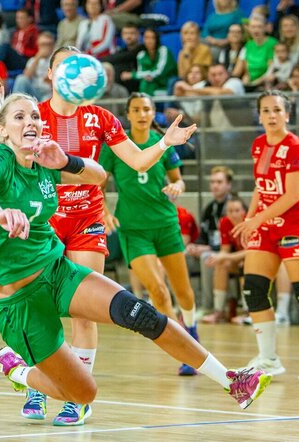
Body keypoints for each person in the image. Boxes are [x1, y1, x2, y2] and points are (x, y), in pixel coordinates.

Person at [0, 80, 271, 425]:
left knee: (141, 314)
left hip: (56, 272)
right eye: (19, 117)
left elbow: (97, 176)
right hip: (18, 302)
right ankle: (18, 371)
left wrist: (67, 159)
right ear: (4, 130)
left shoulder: (46, 160)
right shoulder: (1, 159)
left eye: (35, 115)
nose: (30, 122)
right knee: (83, 393)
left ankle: (231, 380)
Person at [22, 45, 197, 425]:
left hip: (85, 218)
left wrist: (164, 143)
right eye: (64, 67)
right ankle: (42, 382)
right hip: (44, 221)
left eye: (79, 68)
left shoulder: (100, 117)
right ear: (50, 75)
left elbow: (135, 159)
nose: (73, 74)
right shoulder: (33, 115)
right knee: (40, 307)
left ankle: (78, 397)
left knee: (84, 311)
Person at [231, 90, 299, 383]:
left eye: (277, 110)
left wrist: (257, 220)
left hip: (295, 227)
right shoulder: (257, 145)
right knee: (253, 289)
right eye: (265, 110)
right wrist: (250, 219)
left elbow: (292, 195)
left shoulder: (297, 149)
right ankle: (268, 359)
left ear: (287, 115)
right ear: (259, 116)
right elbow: (260, 186)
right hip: (266, 226)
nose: (271, 115)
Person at [100, 91, 201, 376]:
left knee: (184, 292)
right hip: (134, 228)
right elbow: (100, 182)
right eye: (136, 109)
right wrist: (104, 210)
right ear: (128, 114)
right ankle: (180, 346)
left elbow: (178, 181)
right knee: (156, 289)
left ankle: (191, 330)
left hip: (166, 225)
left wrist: (177, 188)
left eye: (147, 109)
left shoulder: (165, 145)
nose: (142, 114)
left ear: (153, 112)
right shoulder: (117, 146)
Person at [186, 166, 233, 314]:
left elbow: (234, 240)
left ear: (228, 184)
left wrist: (207, 248)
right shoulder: (209, 208)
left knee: (207, 257)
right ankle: (185, 304)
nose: (215, 185)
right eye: (212, 182)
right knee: (182, 255)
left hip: (229, 252)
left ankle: (207, 306)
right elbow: (204, 235)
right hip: (211, 247)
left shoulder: (235, 207)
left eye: (219, 182)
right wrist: (195, 246)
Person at [201, 196, 247, 324]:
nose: (233, 214)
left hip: (254, 260)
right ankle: (218, 311)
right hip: (238, 259)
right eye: (230, 211)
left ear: (244, 211)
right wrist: (217, 258)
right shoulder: (225, 222)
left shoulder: (248, 222)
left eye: (237, 210)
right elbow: (225, 250)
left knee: (247, 264)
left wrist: (224, 256)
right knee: (220, 264)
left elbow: (251, 251)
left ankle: (248, 313)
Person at [121, 29, 177, 96]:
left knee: (146, 85)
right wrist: (146, 75)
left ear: (157, 39)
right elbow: (142, 73)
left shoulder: (164, 51)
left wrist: (132, 75)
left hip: (167, 85)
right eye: (146, 38)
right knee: (145, 83)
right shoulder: (141, 55)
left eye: (152, 38)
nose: (149, 41)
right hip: (151, 85)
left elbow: (158, 72)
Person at [232, 15, 277, 90]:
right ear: (249, 29)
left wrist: (253, 84)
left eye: (259, 27)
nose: (256, 30)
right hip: (250, 83)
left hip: (266, 83)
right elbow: (244, 71)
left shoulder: (273, 44)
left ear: (265, 28)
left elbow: (270, 70)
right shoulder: (248, 45)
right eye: (253, 27)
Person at [11, 32, 56, 101]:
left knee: (47, 98)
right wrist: (38, 58)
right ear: (38, 46)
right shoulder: (33, 60)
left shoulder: (57, 60)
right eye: (43, 44)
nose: (46, 47)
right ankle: (14, 105)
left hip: (49, 93)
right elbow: (26, 76)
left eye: (48, 44)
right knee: (21, 79)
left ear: (53, 45)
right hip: (34, 91)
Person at [100, 23, 142, 93]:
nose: (128, 36)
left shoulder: (142, 49)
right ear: (122, 35)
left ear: (138, 35)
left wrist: (100, 60)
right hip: (123, 86)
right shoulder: (121, 51)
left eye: (132, 33)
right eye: (125, 33)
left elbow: (129, 55)